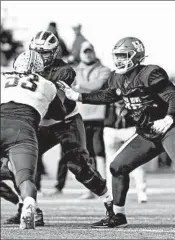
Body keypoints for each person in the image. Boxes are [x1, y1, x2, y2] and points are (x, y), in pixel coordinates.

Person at [58, 36, 175, 229]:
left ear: (136, 56)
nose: (118, 60)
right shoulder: (116, 77)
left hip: (171, 129)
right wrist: (78, 97)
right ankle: (118, 216)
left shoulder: (150, 73)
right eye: (116, 56)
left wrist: (168, 118)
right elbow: (109, 95)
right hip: (147, 133)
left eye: (123, 55)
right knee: (117, 167)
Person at [7, 31, 114, 225]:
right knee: (19, 162)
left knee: (79, 166)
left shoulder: (64, 71)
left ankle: (110, 204)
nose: (39, 56)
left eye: (45, 52)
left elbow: (56, 109)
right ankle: (30, 207)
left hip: (65, 121)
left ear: (55, 52)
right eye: (36, 51)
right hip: (38, 123)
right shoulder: (23, 63)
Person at [1, 50, 65, 229]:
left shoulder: (3, 77)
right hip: (24, 129)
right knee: (25, 178)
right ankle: (29, 204)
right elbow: (60, 115)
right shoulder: (48, 85)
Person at [47, 41, 110, 198]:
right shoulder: (72, 69)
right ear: (80, 54)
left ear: (94, 52)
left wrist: (76, 86)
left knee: (98, 153)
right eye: (85, 51)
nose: (88, 54)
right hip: (76, 117)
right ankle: (59, 186)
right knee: (68, 155)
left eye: (90, 51)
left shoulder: (104, 69)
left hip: (97, 117)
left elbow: (97, 85)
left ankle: (101, 186)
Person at [103, 100, 148, 203]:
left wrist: (128, 110)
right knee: (111, 162)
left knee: (137, 160)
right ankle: (111, 192)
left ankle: (141, 191)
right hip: (111, 128)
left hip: (129, 128)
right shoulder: (107, 88)